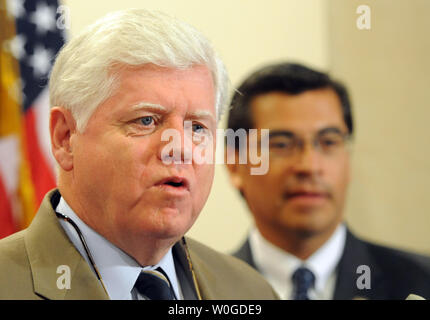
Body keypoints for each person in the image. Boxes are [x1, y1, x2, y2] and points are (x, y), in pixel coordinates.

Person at [0, 9, 278, 300]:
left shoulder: (250, 291)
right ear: (65, 138)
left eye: (197, 127)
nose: (179, 149)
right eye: (146, 121)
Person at [226, 62, 430, 300]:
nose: (310, 166)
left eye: (329, 142)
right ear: (234, 166)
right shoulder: (197, 291)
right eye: (281, 144)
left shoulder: (420, 283)